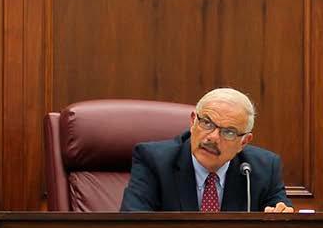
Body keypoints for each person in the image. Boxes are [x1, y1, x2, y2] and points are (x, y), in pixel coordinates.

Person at [120, 88, 294, 213]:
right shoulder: (154, 161)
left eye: (228, 132)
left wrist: (281, 220)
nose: (213, 137)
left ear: (244, 142)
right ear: (193, 121)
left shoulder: (263, 169)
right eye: (207, 123)